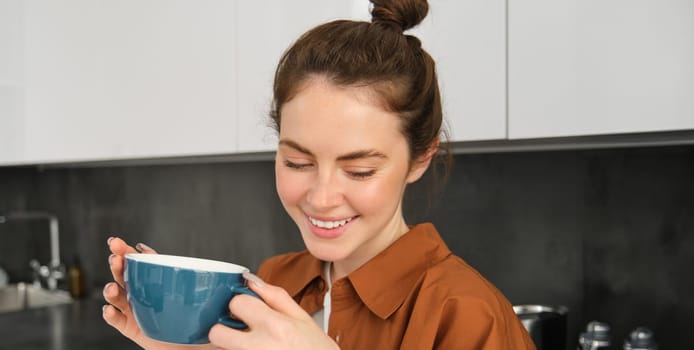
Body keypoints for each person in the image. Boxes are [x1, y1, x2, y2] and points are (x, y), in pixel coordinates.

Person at [103, 0, 536, 348]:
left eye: (360, 170)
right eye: (298, 162)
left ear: (420, 158)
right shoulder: (273, 281)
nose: (322, 196)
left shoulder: (468, 316)